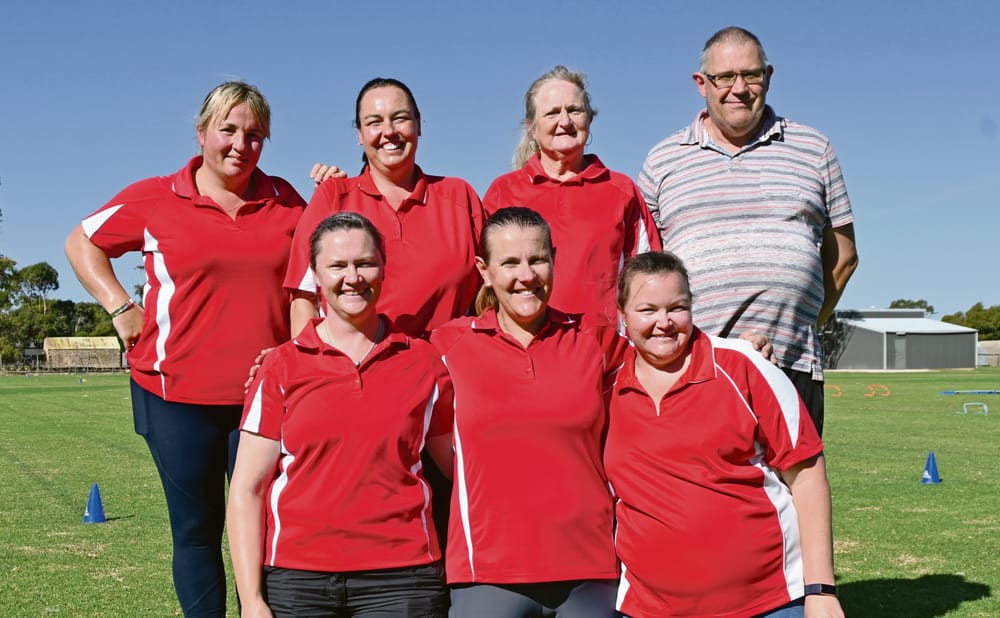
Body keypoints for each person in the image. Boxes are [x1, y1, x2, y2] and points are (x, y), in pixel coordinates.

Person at [64, 81, 308, 617]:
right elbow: (82, 241)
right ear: (201, 133)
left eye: (254, 135)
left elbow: (317, 268)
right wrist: (119, 305)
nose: (241, 144)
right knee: (197, 530)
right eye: (228, 130)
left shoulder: (287, 200)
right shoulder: (156, 197)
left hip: (263, 400)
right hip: (173, 396)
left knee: (265, 527)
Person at [228, 213, 453, 617]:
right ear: (315, 275)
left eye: (365, 263)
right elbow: (247, 490)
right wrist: (252, 600)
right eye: (337, 266)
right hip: (298, 580)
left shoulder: (424, 362)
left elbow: (462, 469)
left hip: (403, 580)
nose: (353, 277)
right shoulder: (280, 366)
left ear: (383, 267)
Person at [638, 27, 858, 436]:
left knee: (796, 479)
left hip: (792, 367)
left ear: (768, 77)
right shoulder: (661, 160)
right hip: (694, 368)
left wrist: (798, 323)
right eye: (725, 77)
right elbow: (645, 273)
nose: (739, 89)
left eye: (751, 75)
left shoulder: (814, 148)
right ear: (701, 83)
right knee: (700, 477)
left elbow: (844, 257)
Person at [604, 251, 844, 618]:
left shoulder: (744, 365)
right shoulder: (605, 386)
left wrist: (821, 590)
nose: (664, 323)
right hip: (648, 607)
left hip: (770, 603)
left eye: (677, 308)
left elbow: (807, 475)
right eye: (647, 310)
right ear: (623, 314)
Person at [431, 207, 629, 617]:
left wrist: (739, 347)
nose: (526, 275)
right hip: (487, 570)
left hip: (589, 567)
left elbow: (666, 358)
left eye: (537, 259)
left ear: (554, 259)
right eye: (509, 263)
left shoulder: (595, 339)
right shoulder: (447, 345)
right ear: (484, 271)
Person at [285, 76, 484, 339]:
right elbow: (304, 298)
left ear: (418, 124)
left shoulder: (460, 196)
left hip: (447, 362)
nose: (389, 131)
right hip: (357, 364)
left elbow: (491, 293)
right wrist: (306, 361)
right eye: (374, 122)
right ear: (359, 134)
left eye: (400, 118)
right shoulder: (332, 197)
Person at [483, 65, 661, 323]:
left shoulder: (621, 190)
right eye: (552, 113)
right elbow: (484, 282)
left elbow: (649, 277)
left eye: (575, 110)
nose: (565, 122)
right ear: (531, 127)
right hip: (524, 343)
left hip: (602, 344)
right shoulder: (503, 192)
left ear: (590, 119)